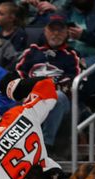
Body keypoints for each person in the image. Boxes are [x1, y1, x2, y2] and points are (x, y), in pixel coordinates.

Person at [14, 14, 83, 155]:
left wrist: (47, 89)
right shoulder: (31, 52)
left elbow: (77, 79)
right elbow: (17, 72)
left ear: (66, 33)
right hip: (31, 97)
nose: (56, 34)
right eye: (52, 29)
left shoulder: (72, 55)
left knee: (56, 96)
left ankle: (45, 145)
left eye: (60, 30)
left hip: (61, 101)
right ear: (45, 31)